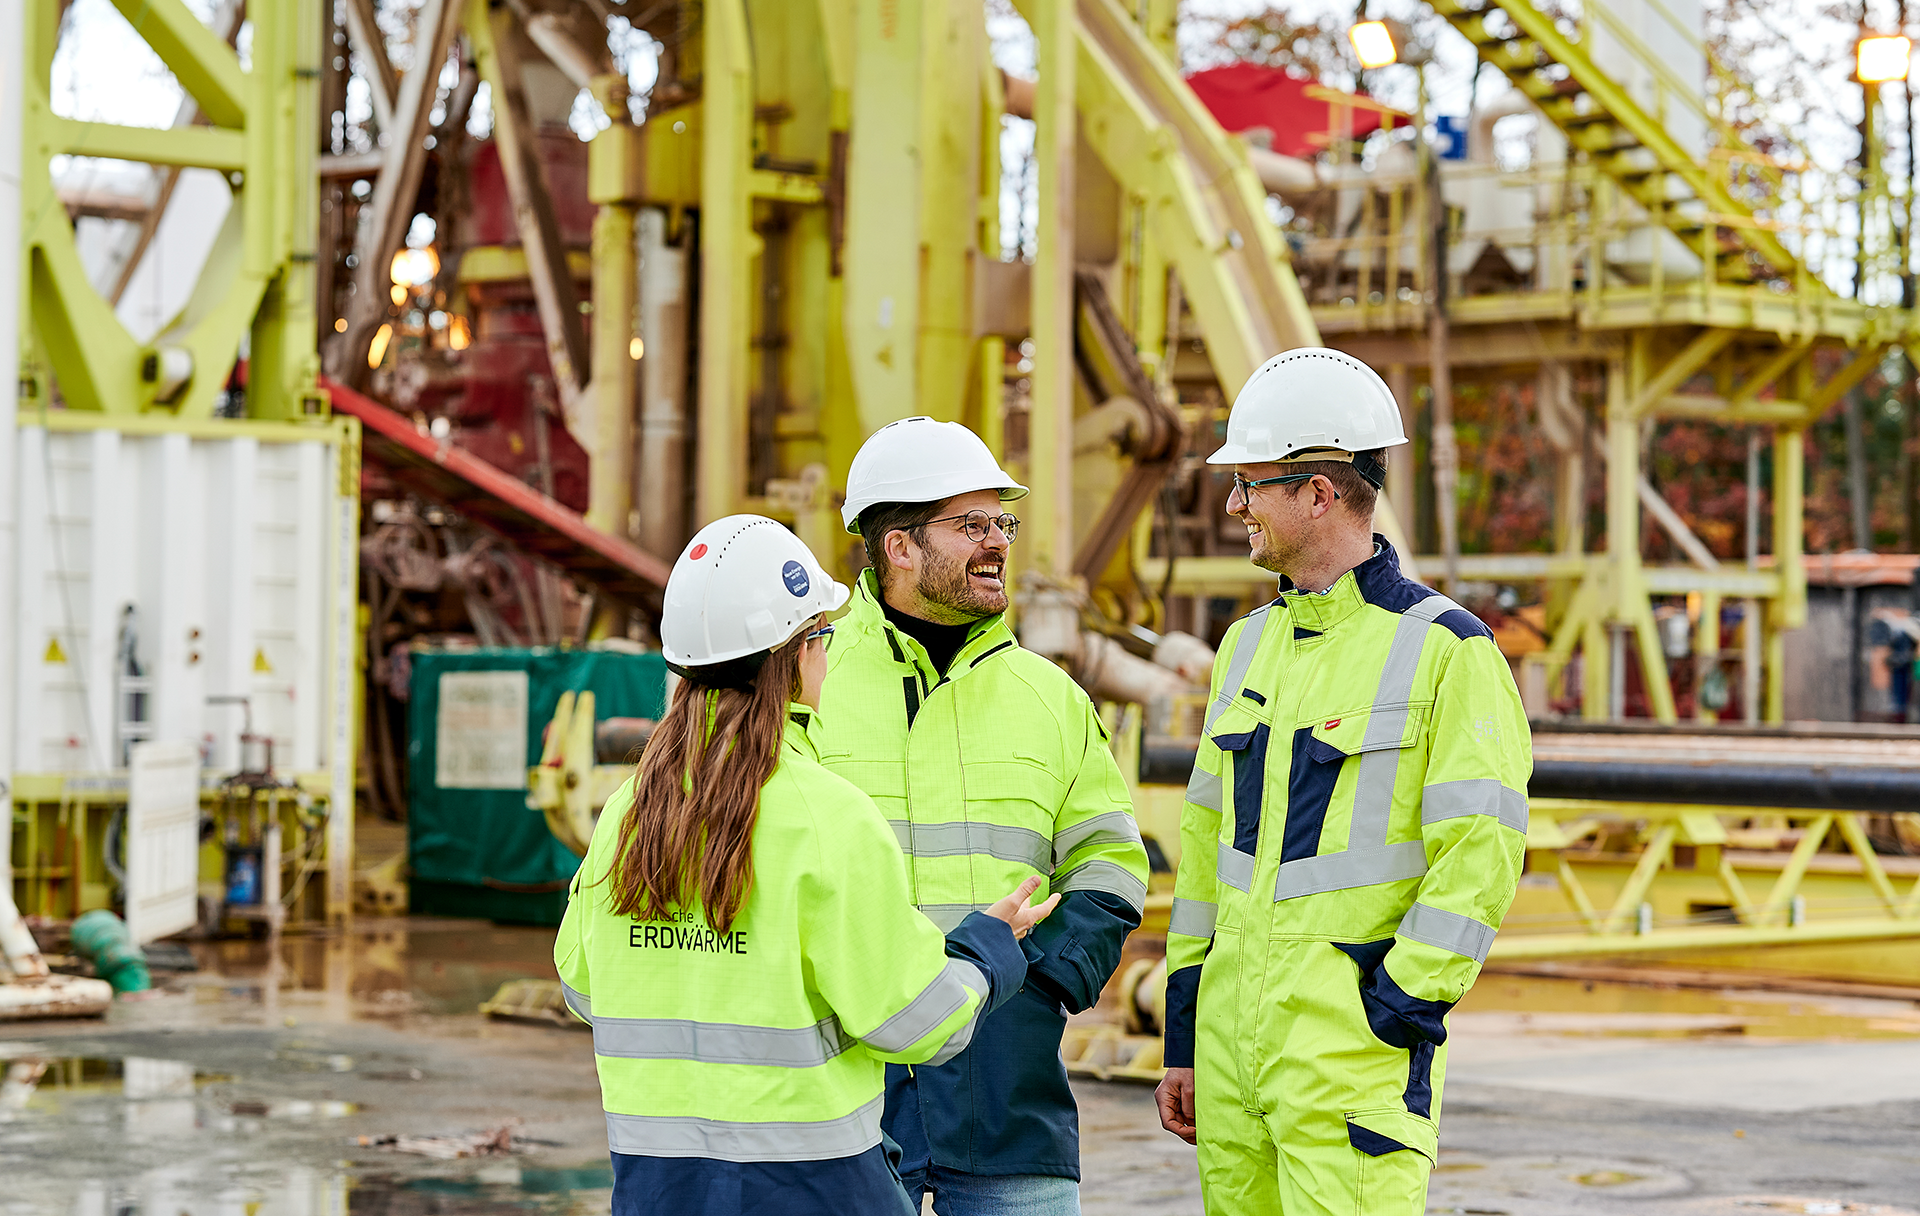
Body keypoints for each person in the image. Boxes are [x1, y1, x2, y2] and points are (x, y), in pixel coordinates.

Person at [555, 513, 1060, 1216]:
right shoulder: (826, 816)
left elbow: (585, 990)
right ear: (796, 655)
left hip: (658, 1191)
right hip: (815, 1190)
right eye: (822, 636)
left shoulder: (629, 811)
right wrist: (989, 949)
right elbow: (915, 1022)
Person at [1152, 348, 1531, 1214]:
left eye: (1251, 484)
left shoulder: (1448, 650)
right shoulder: (1245, 648)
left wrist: (1395, 1009)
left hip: (1353, 1065)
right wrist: (1187, 1035)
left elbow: (1482, 854)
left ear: (1320, 492)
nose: (1234, 505)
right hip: (1231, 1063)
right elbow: (1206, 859)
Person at [814, 417, 1152, 1215]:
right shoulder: (806, 679)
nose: (998, 540)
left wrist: (1039, 987)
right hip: (846, 1097)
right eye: (972, 525)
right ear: (898, 546)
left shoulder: (1050, 696)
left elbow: (1111, 858)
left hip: (1011, 1094)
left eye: (1002, 521)